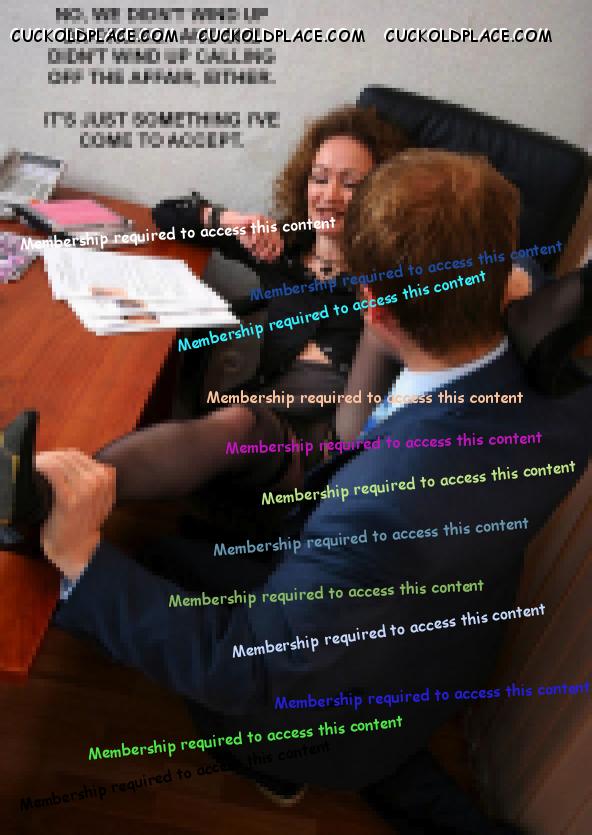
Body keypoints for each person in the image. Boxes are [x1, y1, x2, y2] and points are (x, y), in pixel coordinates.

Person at [39, 149, 592, 832]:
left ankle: (280, 764)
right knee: (172, 557)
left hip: (322, 699)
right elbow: (526, 272)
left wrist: (81, 558)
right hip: (432, 647)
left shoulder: (387, 499)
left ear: (374, 310)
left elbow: (238, 669)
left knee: (142, 574)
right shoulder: (563, 385)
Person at [88, 106, 409, 513]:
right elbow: (167, 216)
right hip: (252, 412)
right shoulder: (281, 250)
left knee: (240, 423)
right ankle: (58, 493)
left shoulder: (390, 281)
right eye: (319, 178)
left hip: (312, 451)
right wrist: (231, 220)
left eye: (351, 184)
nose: (329, 197)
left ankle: (66, 491)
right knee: (229, 416)